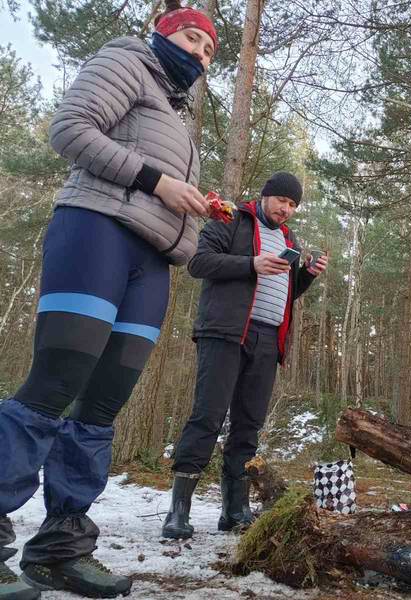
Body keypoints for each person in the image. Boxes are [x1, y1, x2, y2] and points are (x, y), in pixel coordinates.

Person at [0, 3, 218, 598]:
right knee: (57, 380)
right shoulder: (126, 60)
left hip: (152, 262)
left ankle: (61, 549)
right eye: (194, 39)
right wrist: (157, 181)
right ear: (164, 33)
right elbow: (69, 129)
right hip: (95, 230)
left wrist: (189, 203)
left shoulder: (175, 110)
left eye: (209, 51)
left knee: (103, 401)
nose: (201, 54)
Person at [161, 171, 329, 539]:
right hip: (225, 332)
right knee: (207, 416)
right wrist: (251, 264)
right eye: (282, 201)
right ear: (266, 195)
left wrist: (307, 275)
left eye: (293, 205)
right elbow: (198, 263)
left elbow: (285, 292)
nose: (287, 209)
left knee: (249, 425)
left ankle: (234, 511)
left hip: (269, 341)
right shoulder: (232, 220)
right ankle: (178, 511)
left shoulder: (289, 238)